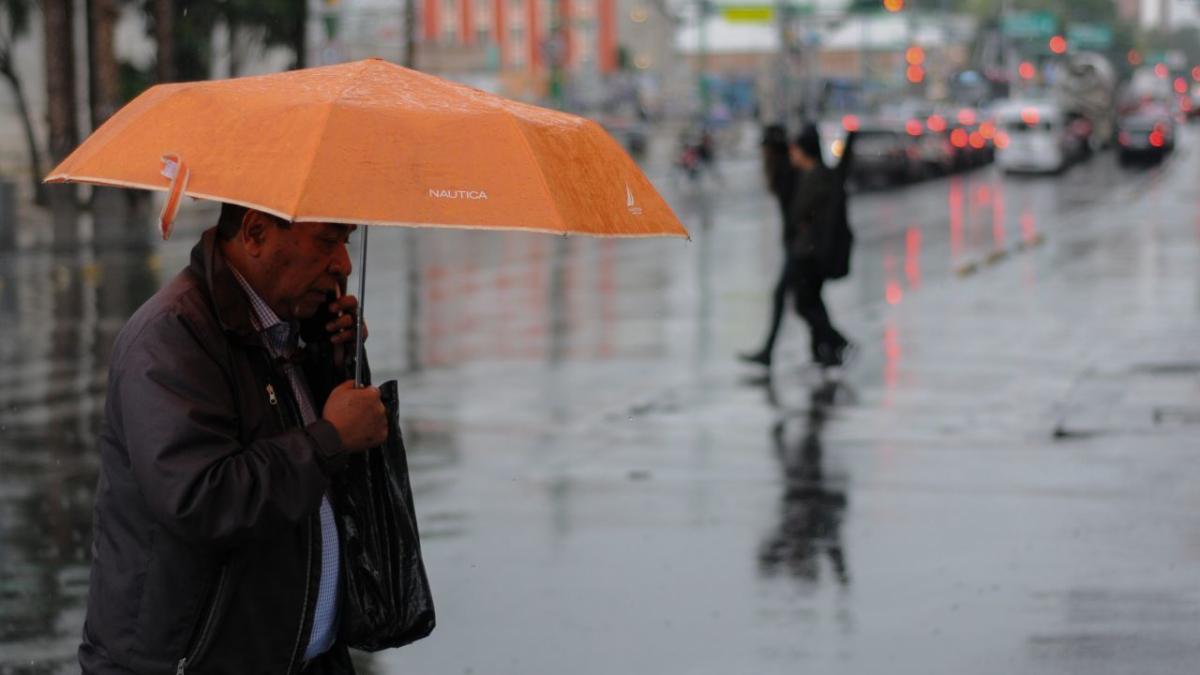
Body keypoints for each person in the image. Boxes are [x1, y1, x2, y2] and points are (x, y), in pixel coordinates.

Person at [78, 204, 388, 675]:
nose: (343, 263)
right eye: (328, 241)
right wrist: (328, 439)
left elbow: (329, 491)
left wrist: (334, 364)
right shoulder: (171, 337)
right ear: (256, 233)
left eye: (348, 240)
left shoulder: (287, 329)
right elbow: (202, 497)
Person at [788, 124, 851, 368]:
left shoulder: (815, 178)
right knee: (812, 302)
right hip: (812, 251)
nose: (792, 155)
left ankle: (836, 342)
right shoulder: (814, 175)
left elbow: (799, 214)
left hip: (811, 253)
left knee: (806, 304)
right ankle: (824, 352)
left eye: (795, 150)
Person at [740, 123, 798, 368]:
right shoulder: (784, 170)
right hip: (796, 245)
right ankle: (828, 347)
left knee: (792, 298)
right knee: (806, 302)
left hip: (799, 247)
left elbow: (796, 212)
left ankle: (833, 345)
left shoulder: (785, 173)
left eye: (765, 147)